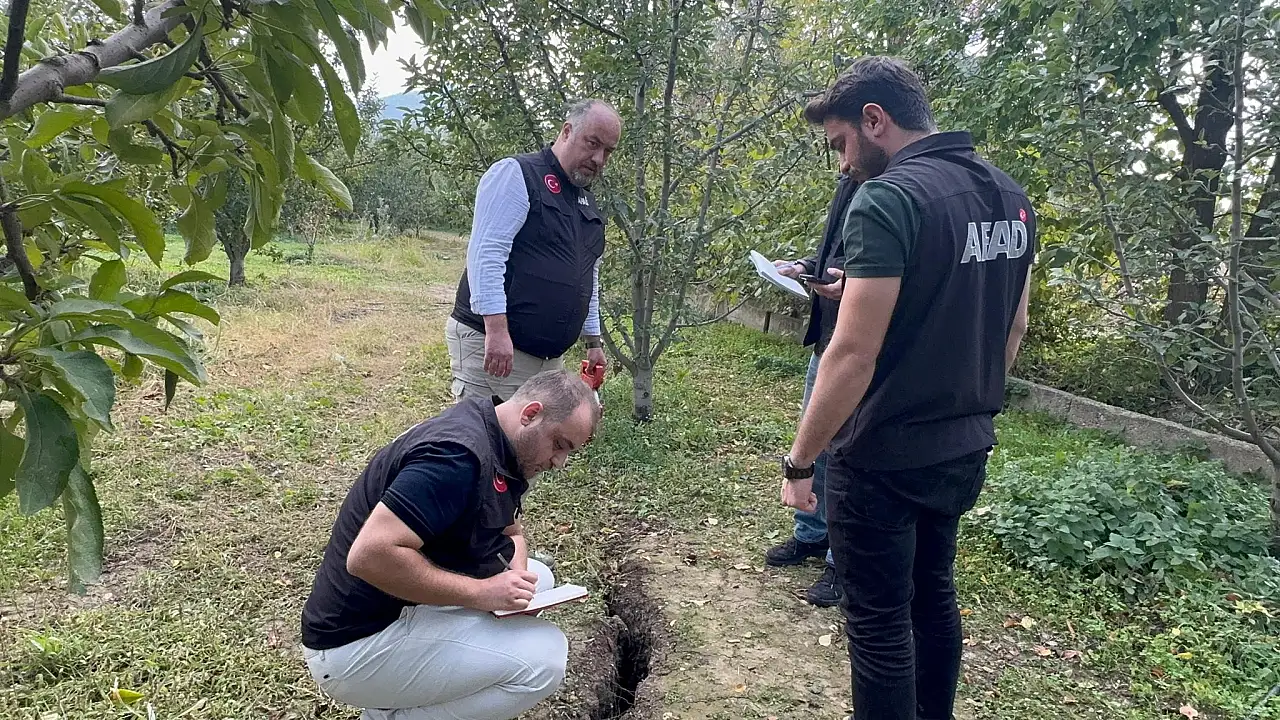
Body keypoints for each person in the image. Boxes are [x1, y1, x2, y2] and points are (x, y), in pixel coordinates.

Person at [778, 57, 1034, 720]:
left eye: (840, 144)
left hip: (883, 455)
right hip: (964, 444)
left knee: (880, 624)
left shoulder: (888, 199)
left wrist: (801, 461)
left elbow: (851, 355)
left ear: (875, 120)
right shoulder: (1010, 196)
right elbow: (1013, 326)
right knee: (933, 597)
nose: (842, 164)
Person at [300, 370, 601, 720]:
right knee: (545, 659)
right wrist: (482, 593)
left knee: (536, 578)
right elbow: (369, 556)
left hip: (399, 607)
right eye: (559, 445)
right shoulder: (455, 459)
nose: (559, 462)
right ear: (531, 414)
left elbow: (512, 532)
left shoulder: (498, 436)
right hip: (355, 645)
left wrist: (515, 582)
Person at [447, 99, 623, 402]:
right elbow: (486, 255)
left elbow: (588, 277)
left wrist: (593, 341)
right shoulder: (518, 175)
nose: (599, 158)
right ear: (566, 131)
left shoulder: (585, 202)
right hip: (496, 347)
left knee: (533, 432)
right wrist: (496, 330)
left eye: (608, 151)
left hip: (546, 360)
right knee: (487, 430)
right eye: (592, 143)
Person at [763, 173, 859, 608]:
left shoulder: (897, 189)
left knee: (845, 456)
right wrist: (803, 267)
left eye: (842, 145)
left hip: (859, 348)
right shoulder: (850, 182)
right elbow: (834, 249)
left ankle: (842, 561)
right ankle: (812, 534)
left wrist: (851, 285)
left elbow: (889, 274)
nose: (841, 160)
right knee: (815, 439)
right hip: (827, 341)